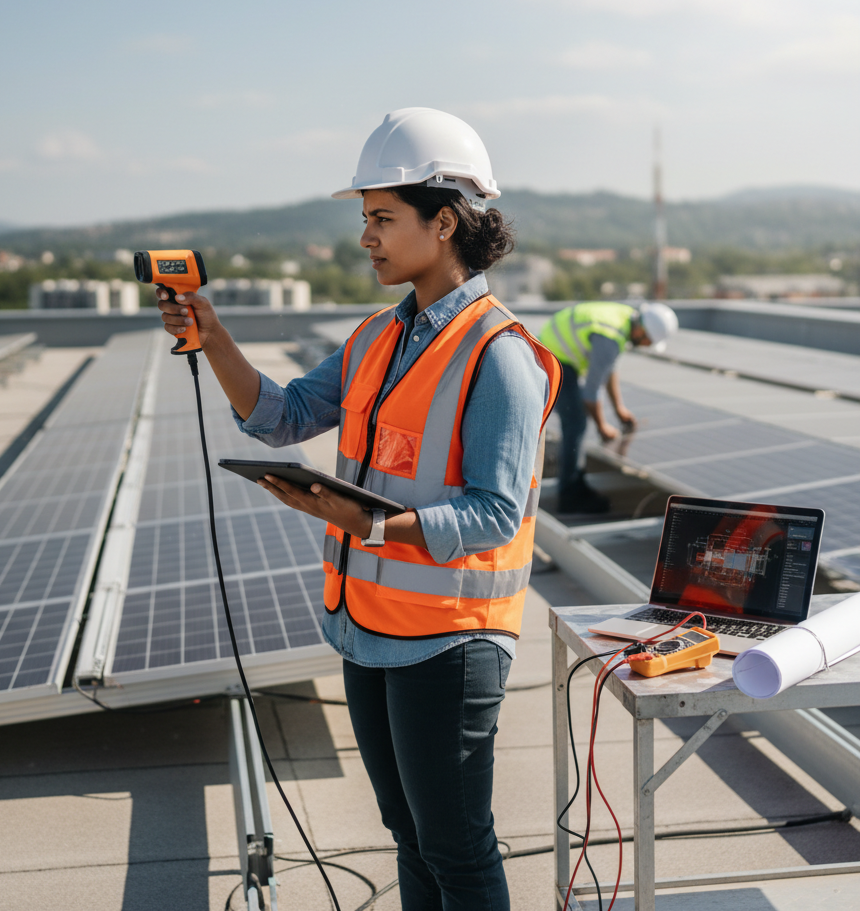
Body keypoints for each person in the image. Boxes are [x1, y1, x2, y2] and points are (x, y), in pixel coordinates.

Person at [156, 107, 560, 910]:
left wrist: (369, 523)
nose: (366, 237)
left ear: (443, 223)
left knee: (456, 845)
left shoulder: (501, 357)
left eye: (382, 218)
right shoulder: (378, 335)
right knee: (408, 832)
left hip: (449, 641)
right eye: (366, 219)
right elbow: (283, 415)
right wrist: (214, 337)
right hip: (367, 627)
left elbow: (492, 515)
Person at [538, 300, 678, 513]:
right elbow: (591, 393)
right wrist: (602, 426)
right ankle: (569, 495)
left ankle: (575, 482)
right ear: (642, 330)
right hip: (552, 355)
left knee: (577, 420)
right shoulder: (611, 338)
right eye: (648, 341)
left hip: (553, 346)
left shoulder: (624, 319)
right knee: (576, 422)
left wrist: (619, 409)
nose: (647, 345)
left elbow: (609, 369)